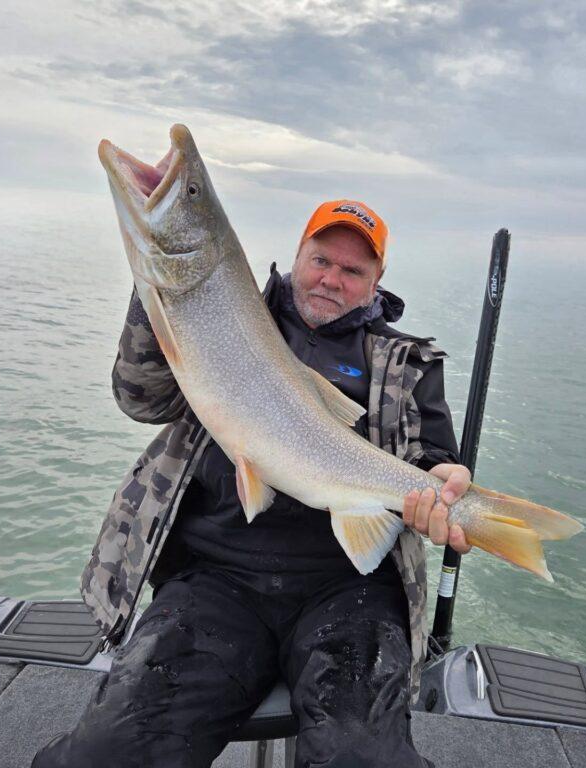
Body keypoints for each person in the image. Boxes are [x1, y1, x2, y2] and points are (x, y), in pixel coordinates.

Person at [33, 200, 472, 768]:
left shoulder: (404, 362)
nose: (331, 279)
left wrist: (445, 485)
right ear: (297, 255)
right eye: (321, 260)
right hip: (215, 579)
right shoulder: (229, 316)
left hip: (348, 588)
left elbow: (433, 457)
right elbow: (140, 399)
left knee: (364, 757)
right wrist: (160, 297)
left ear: (376, 282)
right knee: (110, 752)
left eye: (353, 270)